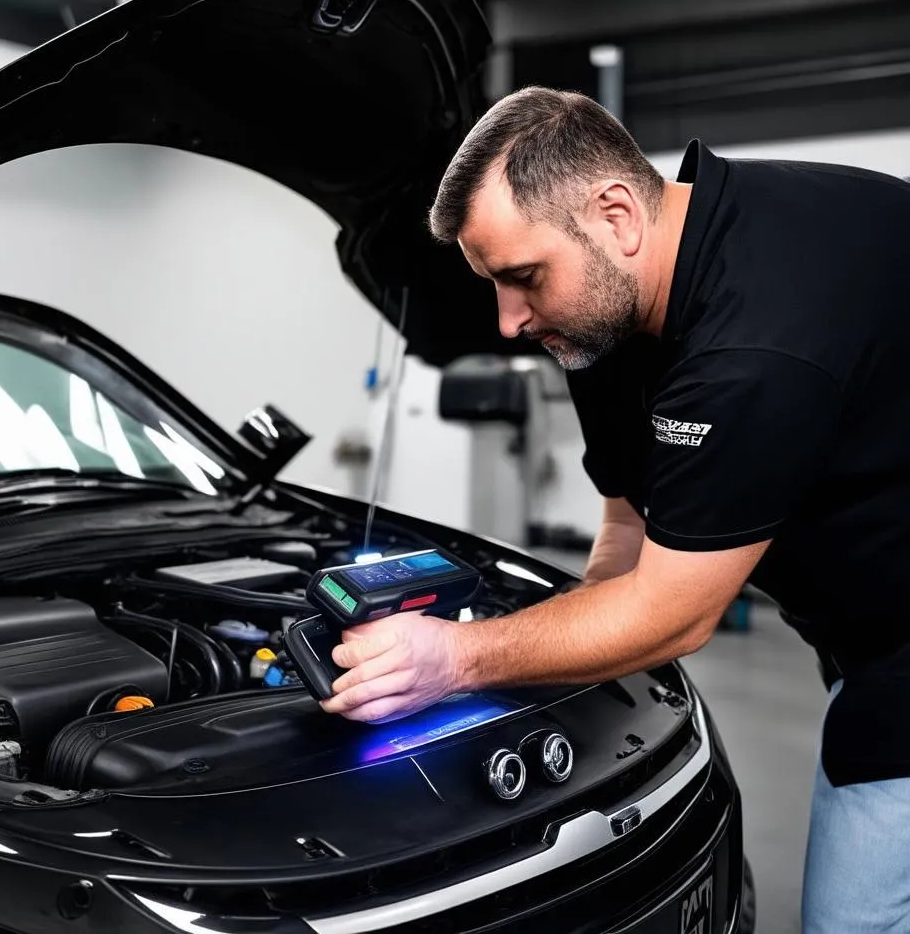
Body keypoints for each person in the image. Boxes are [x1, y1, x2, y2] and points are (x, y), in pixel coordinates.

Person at [318, 85, 910, 930]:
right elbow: (629, 526)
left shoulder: (754, 343)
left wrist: (455, 658)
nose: (510, 322)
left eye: (523, 277)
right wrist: (576, 623)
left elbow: (674, 615)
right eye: (492, 283)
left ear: (617, 214)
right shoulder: (612, 308)